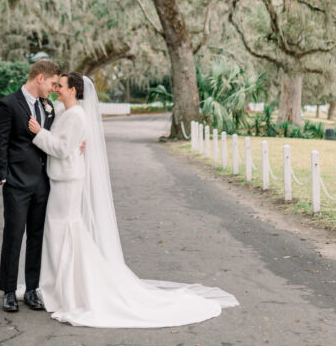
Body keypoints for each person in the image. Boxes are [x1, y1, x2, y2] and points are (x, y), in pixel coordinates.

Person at [27, 72, 238, 328]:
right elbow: (66, 144)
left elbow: (60, 149)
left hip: (68, 181)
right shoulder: (63, 112)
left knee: (65, 231)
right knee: (59, 232)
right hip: (61, 179)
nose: (56, 89)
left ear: (73, 90)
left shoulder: (77, 116)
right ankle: (59, 287)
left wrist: (38, 134)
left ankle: (71, 290)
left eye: (60, 86)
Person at [0, 60, 60, 313]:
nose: (53, 89)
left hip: (43, 182)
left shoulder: (47, 107)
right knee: (14, 235)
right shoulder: (8, 104)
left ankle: (32, 289)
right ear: (39, 78)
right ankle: (8, 290)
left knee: (37, 237)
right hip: (17, 182)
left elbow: (51, 138)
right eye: (52, 83)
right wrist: (3, 176)